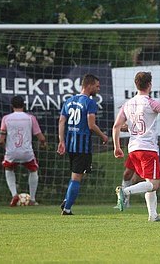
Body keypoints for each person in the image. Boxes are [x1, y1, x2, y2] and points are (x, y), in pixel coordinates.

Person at [112, 71, 160, 222]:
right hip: (147, 148)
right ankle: (126, 191)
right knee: (153, 184)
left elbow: (116, 126)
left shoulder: (127, 104)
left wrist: (117, 147)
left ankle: (153, 215)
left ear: (136, 84)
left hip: (133, 149)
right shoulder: (150, 102)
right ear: (149, 85)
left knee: (149, 180)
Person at [57, 74, 108, 215]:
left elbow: (61, 121)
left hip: (71, 145)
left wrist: (61, 140)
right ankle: (67, 209)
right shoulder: (90, 102)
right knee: (77, 177)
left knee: (76, 175)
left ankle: (67, 200)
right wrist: (103, 135)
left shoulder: (69, 101)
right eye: (97, 86)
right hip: (82, 146)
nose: (98, 89)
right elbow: (91, 125)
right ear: (89, 85)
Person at [0, 95, 47, 206]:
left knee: (8, 169)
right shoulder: (30, 118)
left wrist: (7, 148)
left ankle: (14, 194)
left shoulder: (6, 118)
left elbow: (0, 140)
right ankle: (33, 199)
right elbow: (41, 137)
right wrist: (43, 144)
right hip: (26, 152)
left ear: (12, 106)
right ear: (24, 105)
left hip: (11, 152)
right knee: (33, 171)